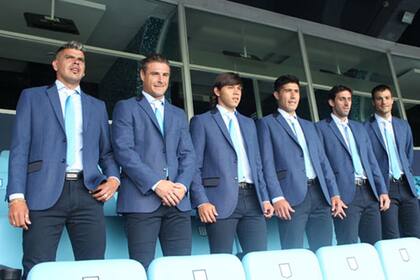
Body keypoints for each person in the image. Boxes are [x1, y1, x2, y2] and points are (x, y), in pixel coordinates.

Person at [7, 41, 120, 279]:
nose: (76, 62)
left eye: (81, 59)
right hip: (43, 192)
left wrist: (113, 179)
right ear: (56, 64)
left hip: (87, 193)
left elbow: (106, 152)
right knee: (38, 266)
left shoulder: (97, 106)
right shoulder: (32, 97)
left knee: (92, 267)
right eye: (70, 57)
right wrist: (16, 198)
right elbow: (19, 149)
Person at [111, 53, 195, 269]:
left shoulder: (178, 113)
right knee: (142, 267)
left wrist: (182, 187)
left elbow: (188, 154)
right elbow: (124, 151)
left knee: (180, 269)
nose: (161, 80)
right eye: (155, 74)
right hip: (142, 201)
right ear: (142, 75)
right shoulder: (126, 107)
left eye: (165, 75)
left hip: (178, 201)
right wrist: (158, 184)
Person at [257, 75, 346, 251]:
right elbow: (266, 163)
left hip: (320, 196)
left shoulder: (309, 126)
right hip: (290, 198)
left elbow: (323, 162)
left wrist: (334, 193)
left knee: (324, 250)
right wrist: (277, 197)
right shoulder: (266, 123)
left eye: (296, 91)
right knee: (293, 251)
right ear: (276, 95)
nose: (293, 96)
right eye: (287, 91)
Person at [190, 72, 274, 257]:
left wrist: (265, 197)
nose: (236, 93)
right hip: (218, 199)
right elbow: (193, 166)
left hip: (253, 198)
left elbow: (257, 164)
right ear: (217, 91)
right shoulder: (201, 121)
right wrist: (201, 201)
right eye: (230, 88)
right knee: (222, 261)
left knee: (259, 259)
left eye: (239, 89)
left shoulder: (249, 123)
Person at [316, 85, 390, 245]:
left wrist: (382, 190)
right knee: (348, 246)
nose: (347, 103)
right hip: (344, 196)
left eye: (349, 99)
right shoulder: (320, 128)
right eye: (342, 99)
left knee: (375, 245)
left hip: (370, 194)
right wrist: (333, 194)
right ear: (331, 102)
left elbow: (371, 161)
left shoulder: (359, 127)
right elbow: (322, 165)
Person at [364, 84, 420, 239]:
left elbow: (407, 154)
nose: (384, 102)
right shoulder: (365, 128)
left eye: (387, 98)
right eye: (379, 99)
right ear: (373, 102)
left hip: (406, 186)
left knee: (415, 234)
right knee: (391, 235)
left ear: (392, 100)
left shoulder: (403, 125)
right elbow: (368, 160)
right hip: (385, 187)